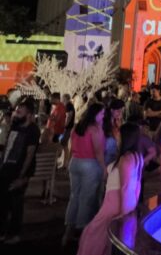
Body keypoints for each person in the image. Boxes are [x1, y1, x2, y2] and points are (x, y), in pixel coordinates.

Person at [76, 123, 143, 255]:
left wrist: (123, 213)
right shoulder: (137, 156)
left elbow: (125, 187)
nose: (117, 136)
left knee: (94, 232)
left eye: (119, 134)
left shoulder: (125, 159)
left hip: (116, 203)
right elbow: (138, 184)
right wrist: (133, 204)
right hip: (121, 201)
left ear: (126, 137)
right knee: (104, 234)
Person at [63, 103, 106, 246]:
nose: (103, 116)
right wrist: (104, 169)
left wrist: (68, 161)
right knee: (86, 199)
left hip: (75, 163)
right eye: (102, 113)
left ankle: (68, 231)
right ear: (95, 114)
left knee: (74, 196)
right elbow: (99, 152)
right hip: (89, 164)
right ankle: (83, 232)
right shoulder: (95, 129)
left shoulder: (77, 127)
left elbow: (70, 146)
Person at [0, 98, 40, 245]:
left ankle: (14, 234)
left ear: (29, 115)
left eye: (19, 111)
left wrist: (22, 177)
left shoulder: (33, 130)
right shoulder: (15, 125)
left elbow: (30, 155)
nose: (16, 113)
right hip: (6, 168)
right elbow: (8, 146)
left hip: (19, 171)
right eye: (17, 110)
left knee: (16, 203)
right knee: (2, 202)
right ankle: (2, 232)